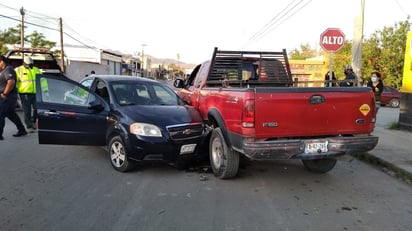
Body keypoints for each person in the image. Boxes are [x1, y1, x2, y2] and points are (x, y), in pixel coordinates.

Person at [0, 55, 28, 140]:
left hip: (8, 96)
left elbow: (11, 82)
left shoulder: (8, 69)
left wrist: (4, 94)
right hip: (6, 96)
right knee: (11, 114)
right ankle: (22, 130)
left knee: (1, 114)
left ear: (2, 61)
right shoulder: (3, 70)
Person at [15, 56, 42, 132]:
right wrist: (15, 92)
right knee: (27, 111)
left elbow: (42, 81)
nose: (29, 66)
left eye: (30, 64)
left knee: (36, 109)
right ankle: (29, 126)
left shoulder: (36, 70)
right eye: (28, 64)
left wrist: (45, 91)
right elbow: (15, 81)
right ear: (24, 63)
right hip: (24, 93)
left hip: (36, 93)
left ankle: (33, 122)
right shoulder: (18, 70)